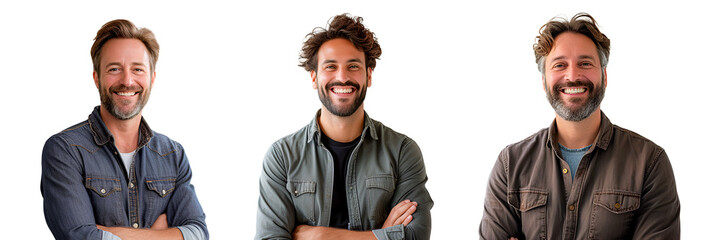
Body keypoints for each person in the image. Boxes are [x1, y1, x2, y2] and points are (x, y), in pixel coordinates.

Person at [479, 12, 680, 239]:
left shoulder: (649, 163)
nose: (572, 75)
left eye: (585, 63)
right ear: (544, 81)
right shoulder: (510, 165)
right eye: (559, 65)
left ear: (604, 76)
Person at [255, 13, 433, 240]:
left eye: (353, 66)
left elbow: (416, 235)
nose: (342, 77)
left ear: (368, 75)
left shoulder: (402, 151)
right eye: (330, 66)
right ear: (314, 78)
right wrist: (382, 235)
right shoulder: (282, 156)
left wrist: (318, 236)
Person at [41, 19, 208, 240]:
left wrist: (105, 232)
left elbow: (197, 234)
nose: (127, 80)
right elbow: (80, 235)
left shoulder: (172, 155)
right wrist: (160, 233)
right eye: (114, 69)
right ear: (96, 77)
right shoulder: (65, 150)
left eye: (137, 69)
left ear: (152, 78)